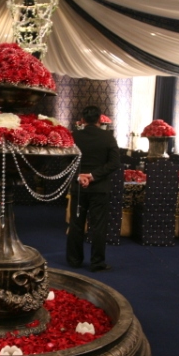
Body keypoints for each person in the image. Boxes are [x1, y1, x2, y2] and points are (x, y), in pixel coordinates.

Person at [66, 105, 121, 272]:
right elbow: (114, 163)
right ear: (100, 119)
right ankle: (97, 263)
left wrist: (80, 176)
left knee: (76, 225)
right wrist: (93, 176)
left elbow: (65, 161)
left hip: (79, 188)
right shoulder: (108, 137)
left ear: (82, 120)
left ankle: (74, 260)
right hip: (100, 188)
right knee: (98, 227)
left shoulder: (73, 136)